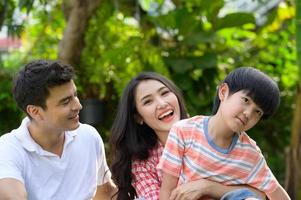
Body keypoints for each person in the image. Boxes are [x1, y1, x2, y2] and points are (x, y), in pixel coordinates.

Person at [109, 71, 265, 200]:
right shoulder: (144, 163)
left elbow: (264, 193)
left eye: (165, 93)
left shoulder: (215, 135)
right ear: (138, 117)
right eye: (148, 102)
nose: (162, 103)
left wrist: (208, 187)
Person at [158, 67, 291, 200]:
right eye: (246, 100)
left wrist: (210, 187)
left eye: (258, 112)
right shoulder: (184, 131)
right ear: (223, 92)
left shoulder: (250, 154)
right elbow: (167, 190)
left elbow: (275, 192)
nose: (248, 113)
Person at [0, 60, 116, 200]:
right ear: (35, 111)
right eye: (66, 102)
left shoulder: (89, 136)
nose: (78, 106)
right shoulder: (8, 149)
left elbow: (105, 193)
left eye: (75, 95)